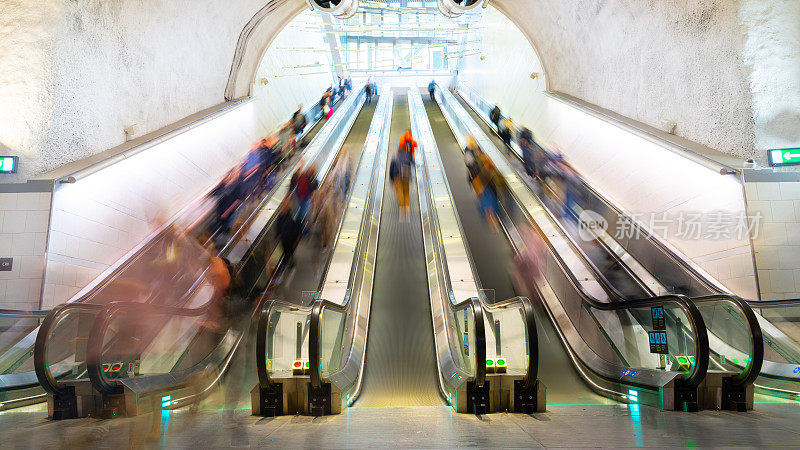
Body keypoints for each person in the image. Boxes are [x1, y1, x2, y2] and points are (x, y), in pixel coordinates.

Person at [391, 130, 417, 221]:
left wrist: (391, 179)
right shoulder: (409, 155)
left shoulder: (395, 157)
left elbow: (391, 168)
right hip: (406, 175)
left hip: (397, 176)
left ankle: (402, 211)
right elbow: (413, 163)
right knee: (406, 192)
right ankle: (407, 209)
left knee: (400, 192)